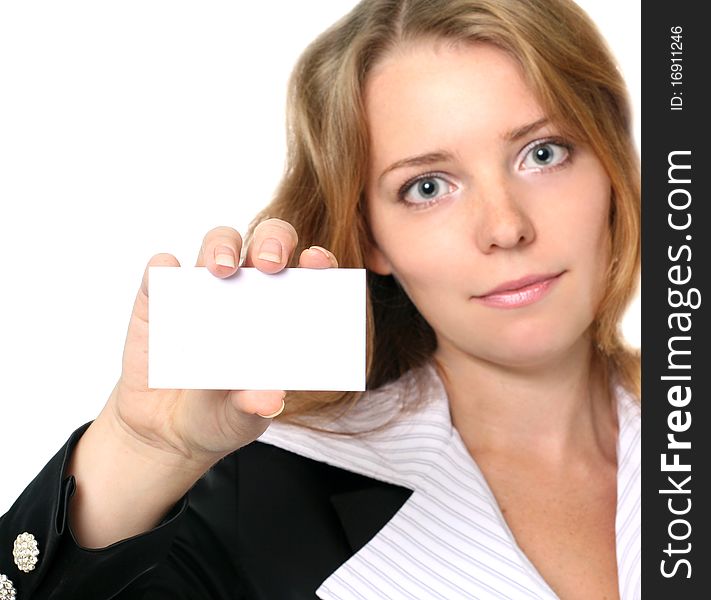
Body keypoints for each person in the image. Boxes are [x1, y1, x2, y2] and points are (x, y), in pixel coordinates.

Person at [0, 0, 640, 598]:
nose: (506, 227)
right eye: (427, 187)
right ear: (371, 236)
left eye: (543, 153)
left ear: (613, 164)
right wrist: (139, 451)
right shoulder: (265, 495)